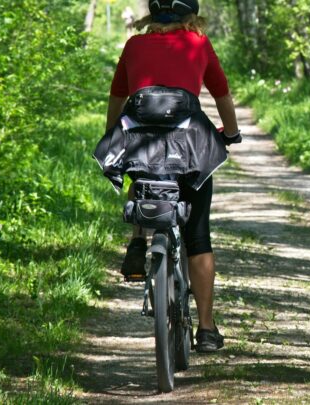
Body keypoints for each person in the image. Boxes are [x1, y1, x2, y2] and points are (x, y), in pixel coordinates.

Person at [104, 0, 241, 353]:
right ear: (189, 14)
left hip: (142, 146)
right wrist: (231, 134)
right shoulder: (197, 42)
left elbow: (117, 97)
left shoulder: (134, 44)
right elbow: (221, 93)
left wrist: (113, 135)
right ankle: (207, 329)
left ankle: (138, 240)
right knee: (198, 236)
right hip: (190, 150)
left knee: (141, 174)